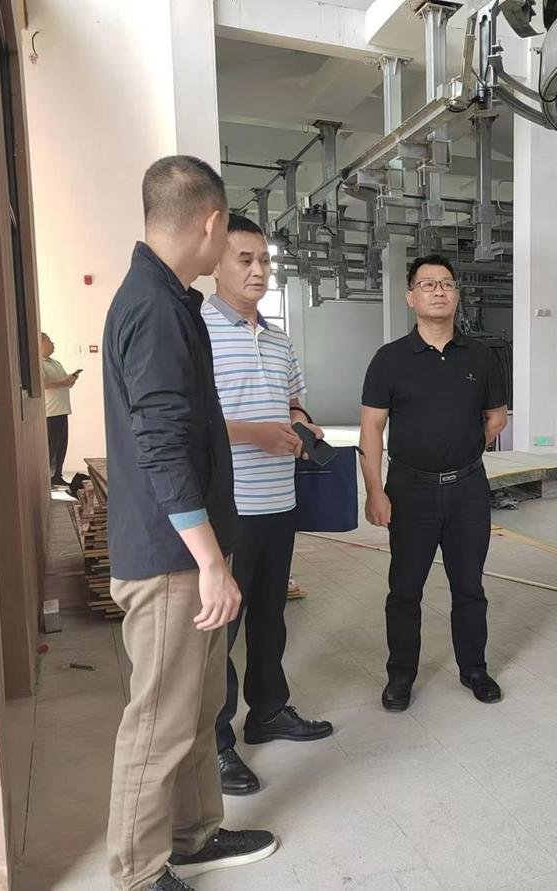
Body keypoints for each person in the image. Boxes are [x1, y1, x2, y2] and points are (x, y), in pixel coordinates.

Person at [102, 156, 277, 891]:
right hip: (170, 558)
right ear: (211, 222)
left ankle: (194, 834)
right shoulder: (153, 308)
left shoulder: (169, 300)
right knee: (160, 722)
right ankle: (138, 873)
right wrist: (208, 559)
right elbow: (161, 444)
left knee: (198, 706)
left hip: (190, 549)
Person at [200, 214, 333, 797]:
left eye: (264, 260)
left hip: (280, 500)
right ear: (216, 264)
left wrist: (302, 426)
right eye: (244, 259)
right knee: (221, 631)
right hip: (229, 508)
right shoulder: (198, 332)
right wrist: (254, 434)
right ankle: (215, 743)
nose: (258, 270)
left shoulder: (279, 338)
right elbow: (191, 424)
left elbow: (294, 402)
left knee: (270, 617)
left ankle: (269, 711)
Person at [359, 254, 508, 711]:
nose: (439, 291)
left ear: (457, 295)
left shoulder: (481, 356)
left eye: (447, 283)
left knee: (470, 587)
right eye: (427, 284)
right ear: (411, 297)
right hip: (410, 490)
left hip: (467, 491)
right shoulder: (389, 360)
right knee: (405, 589)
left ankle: (474, 669)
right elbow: (371, 430)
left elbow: (496, 418)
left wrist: (462, 448)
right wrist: (375, 490)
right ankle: (400, 675)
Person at [41, 332, 78, 487]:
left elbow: (64, 382)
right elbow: (42, 384)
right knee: (51, 447)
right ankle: (47, 479)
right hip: (50, 412)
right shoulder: (39, 364)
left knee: (61, 446)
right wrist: (63, 382)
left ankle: (57, 476)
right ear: (39, 344)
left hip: (62, 410)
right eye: (48, 341)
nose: (52, 343)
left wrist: (71, 380)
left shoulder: (55, 363)